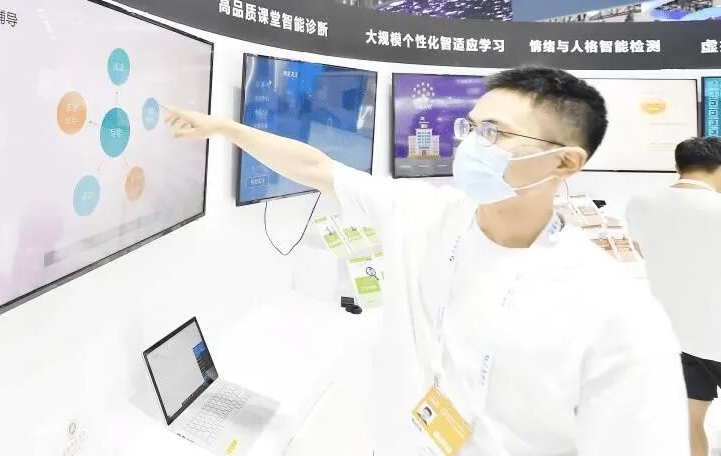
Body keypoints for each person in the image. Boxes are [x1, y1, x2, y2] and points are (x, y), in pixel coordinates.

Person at [165, 66, 687, 455]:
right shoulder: (425, 216)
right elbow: (317, 168)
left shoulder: (615, 311)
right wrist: (225, 128)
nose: (471, 146)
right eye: (471, 128)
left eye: (495, 133)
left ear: (566, 161)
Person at [626, 137, 721, 456]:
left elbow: (643, 250)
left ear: (677, 166)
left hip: (677, 334)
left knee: (690, 420)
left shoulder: (640, 202)